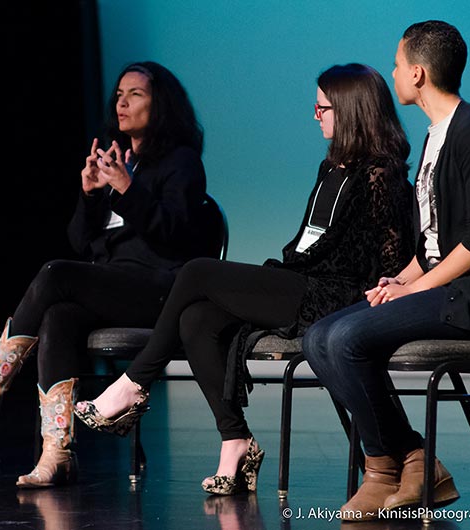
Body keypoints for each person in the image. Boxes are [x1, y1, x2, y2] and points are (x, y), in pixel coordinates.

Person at [76, 63, 415, 495]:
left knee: (197, 270)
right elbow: (309, 243)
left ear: (351, 110)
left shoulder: (380, 174)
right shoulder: (331, 167)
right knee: (196, 318)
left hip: (339, 297)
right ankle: (236, 440)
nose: (316, 116)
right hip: (307, 280)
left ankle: (134, 383)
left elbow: (389, 258)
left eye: (323, 107)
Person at [301, 21, 470, 521]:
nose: (392, 74)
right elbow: (432, 239)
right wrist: (404, 278)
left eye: (396, 64)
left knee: (346, 340)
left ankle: (386, 467)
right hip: (441, 286)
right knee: (318, 337)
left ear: (418, 72)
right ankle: (410, 461)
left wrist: (420, 287)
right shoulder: (436, 135)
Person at [0, 61, 208, 489]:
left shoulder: (181, 163)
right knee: (57, 314)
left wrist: (128, 189)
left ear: (162, 104)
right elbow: (81, 240)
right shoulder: (119, 159)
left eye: (135, 94)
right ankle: (57, 453)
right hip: (115, 285)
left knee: (55, 273)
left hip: (160, 290)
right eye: (118, 94)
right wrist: (91, 195)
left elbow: (177, 234)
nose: (122, 102)